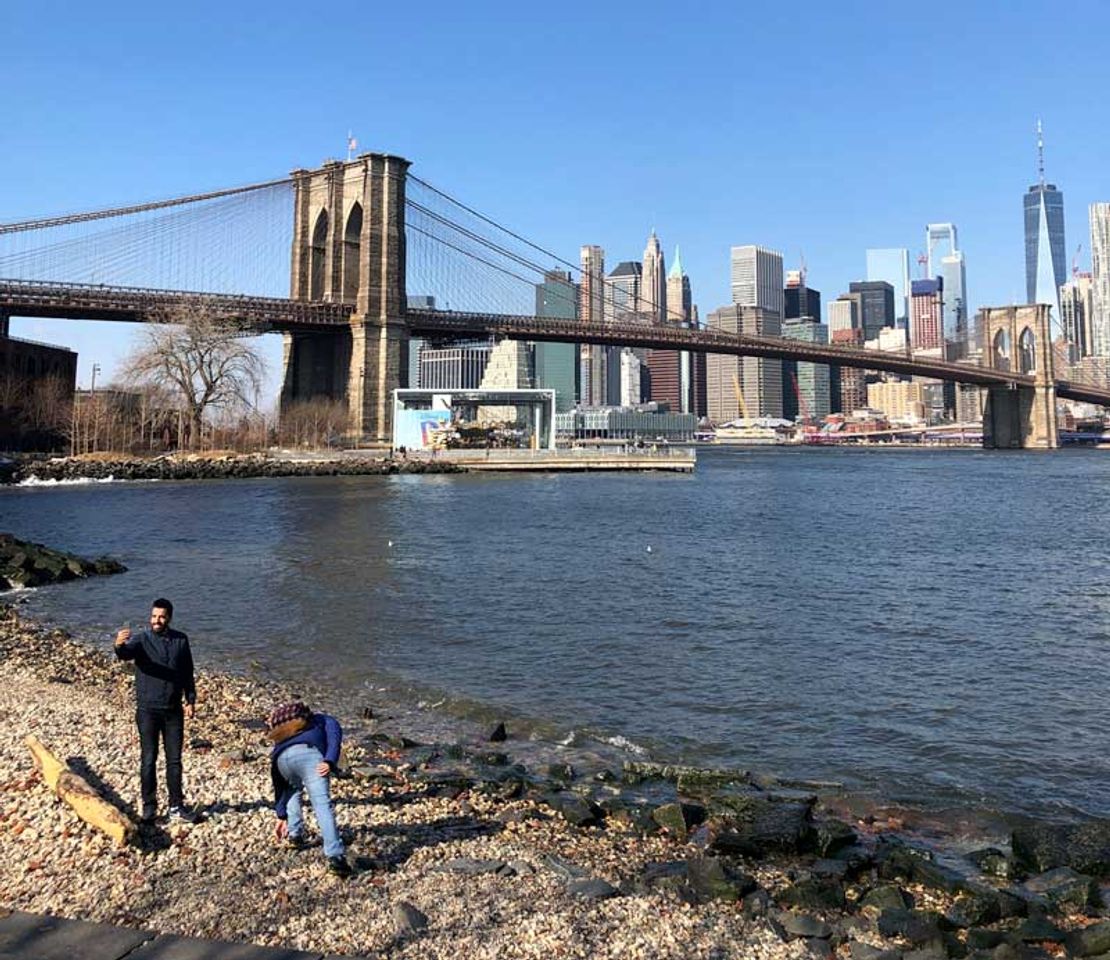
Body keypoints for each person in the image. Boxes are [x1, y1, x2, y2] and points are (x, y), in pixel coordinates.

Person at [114, 598, 198, 824]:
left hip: (173, 711)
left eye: (161, 616)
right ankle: (149, 809)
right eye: (153, 616)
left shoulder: (181, 640)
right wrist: (119, 645)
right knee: (149, 759)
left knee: (174, 761)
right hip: (147, 710)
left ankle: (176, 806)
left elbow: (187, 671)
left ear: (169, 617)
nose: (156, 620)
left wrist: (190, 699)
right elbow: (124, 655)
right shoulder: (142, 640)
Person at [268, 701, 351, 877]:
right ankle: (335, 857)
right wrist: (329, 760)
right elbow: (335, 737)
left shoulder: (282, 736)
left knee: (291, 792)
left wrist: (281, 814)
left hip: (281, 762)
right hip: (311, 757)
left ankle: (295, 835)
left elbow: (278, 783)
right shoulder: (323, 719)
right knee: (321, 805)